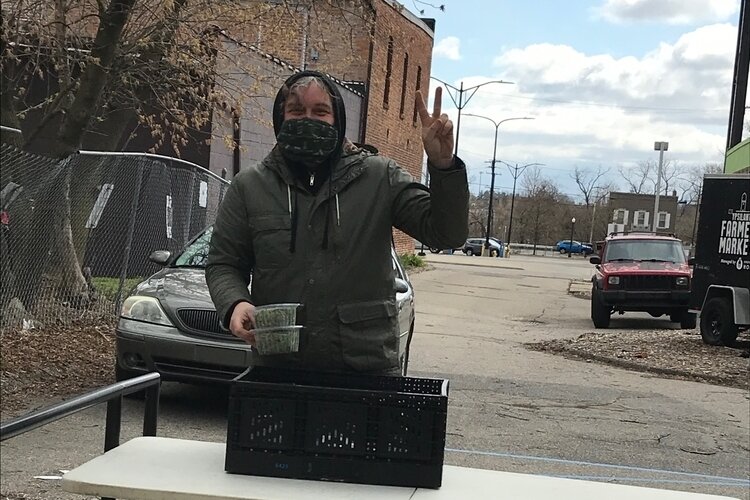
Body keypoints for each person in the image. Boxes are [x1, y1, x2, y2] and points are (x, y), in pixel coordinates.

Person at [206, 70, 468, 375]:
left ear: (338, 120)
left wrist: (443, 166)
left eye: (320, 112)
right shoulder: (250, 186)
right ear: (281, 119)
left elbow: (446, 234)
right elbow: (223, 263)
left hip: (365, 370)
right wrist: (235, 302)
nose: (308, 120)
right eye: (296, 111)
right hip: (278, 369)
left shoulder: (379, 178)